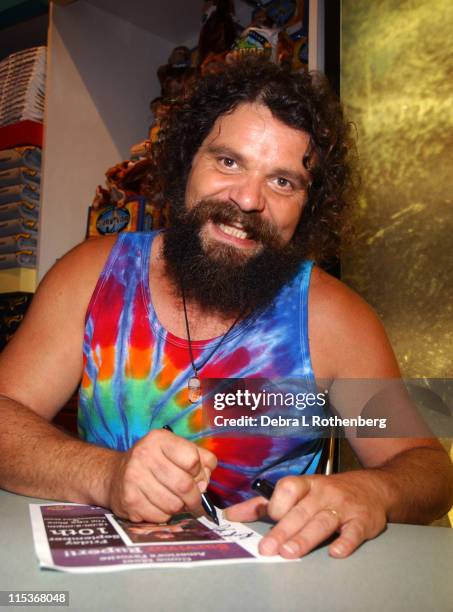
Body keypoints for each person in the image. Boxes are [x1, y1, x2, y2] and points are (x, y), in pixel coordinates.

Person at [0, 58, 452, 561]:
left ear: (309, 206)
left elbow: (425, 466)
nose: (247, 199)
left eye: (283, 182)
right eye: (228, 162)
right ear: (185, 162)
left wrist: (373, 491)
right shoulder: (93, 276)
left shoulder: (332, 322)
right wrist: (105, 475)